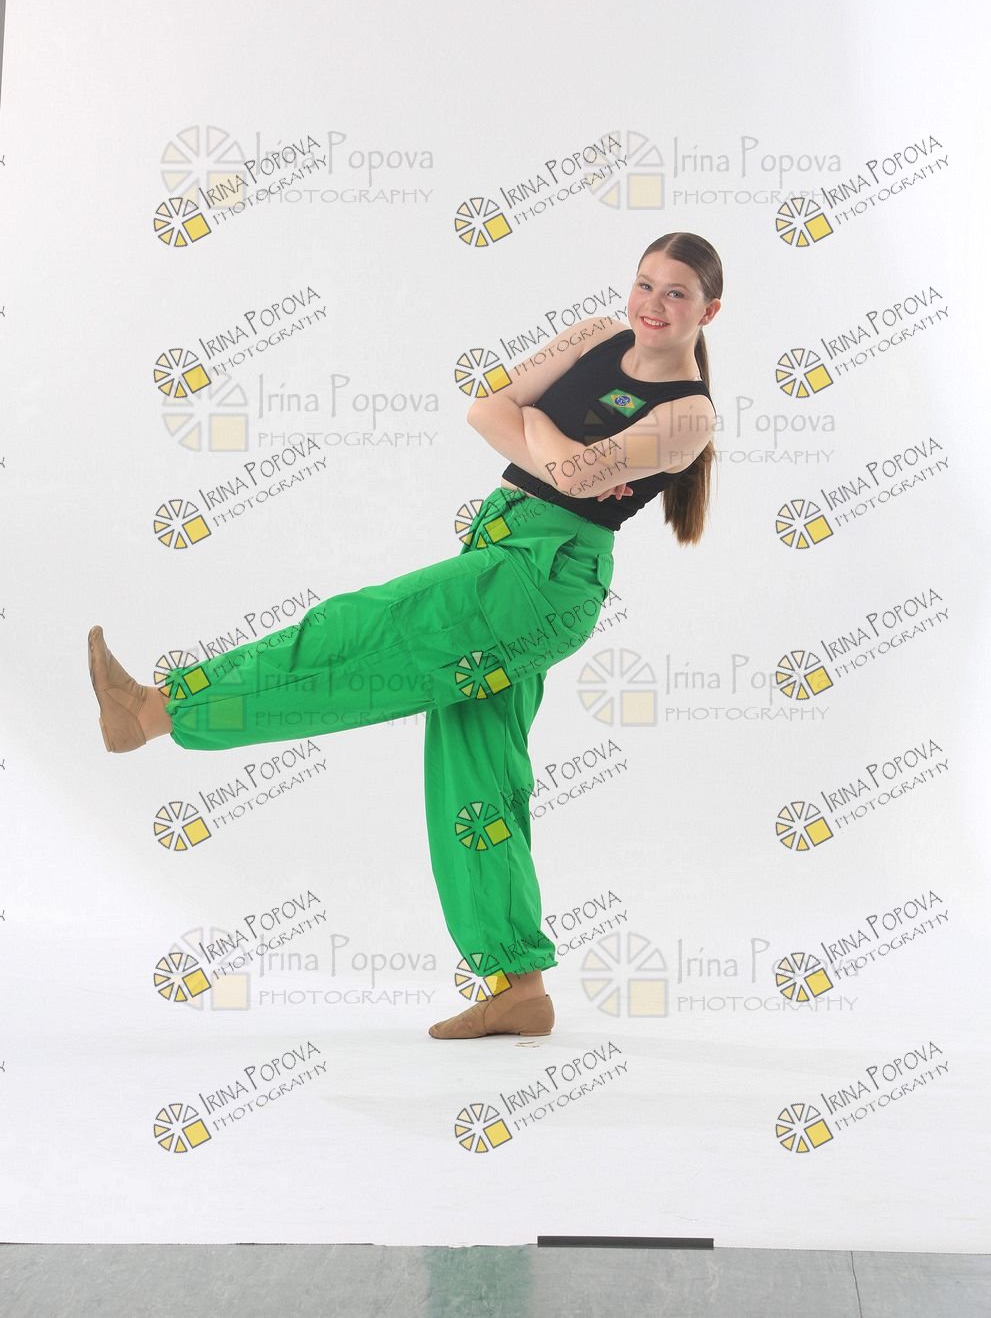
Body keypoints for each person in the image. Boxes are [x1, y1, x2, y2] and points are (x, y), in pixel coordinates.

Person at [87, 231, 721, 1040]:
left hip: (543, 578)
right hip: (502, 547)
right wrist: (557, 449)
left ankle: (158, 711)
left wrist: (537, 430)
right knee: (477, 777)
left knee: (359, 631)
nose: (652, 305)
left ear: (708, 311)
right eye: (645, 284)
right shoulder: (596, 334)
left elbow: (559, 466)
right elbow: (484, 409)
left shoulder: (690, 414)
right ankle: (518, 985)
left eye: (676, 293)